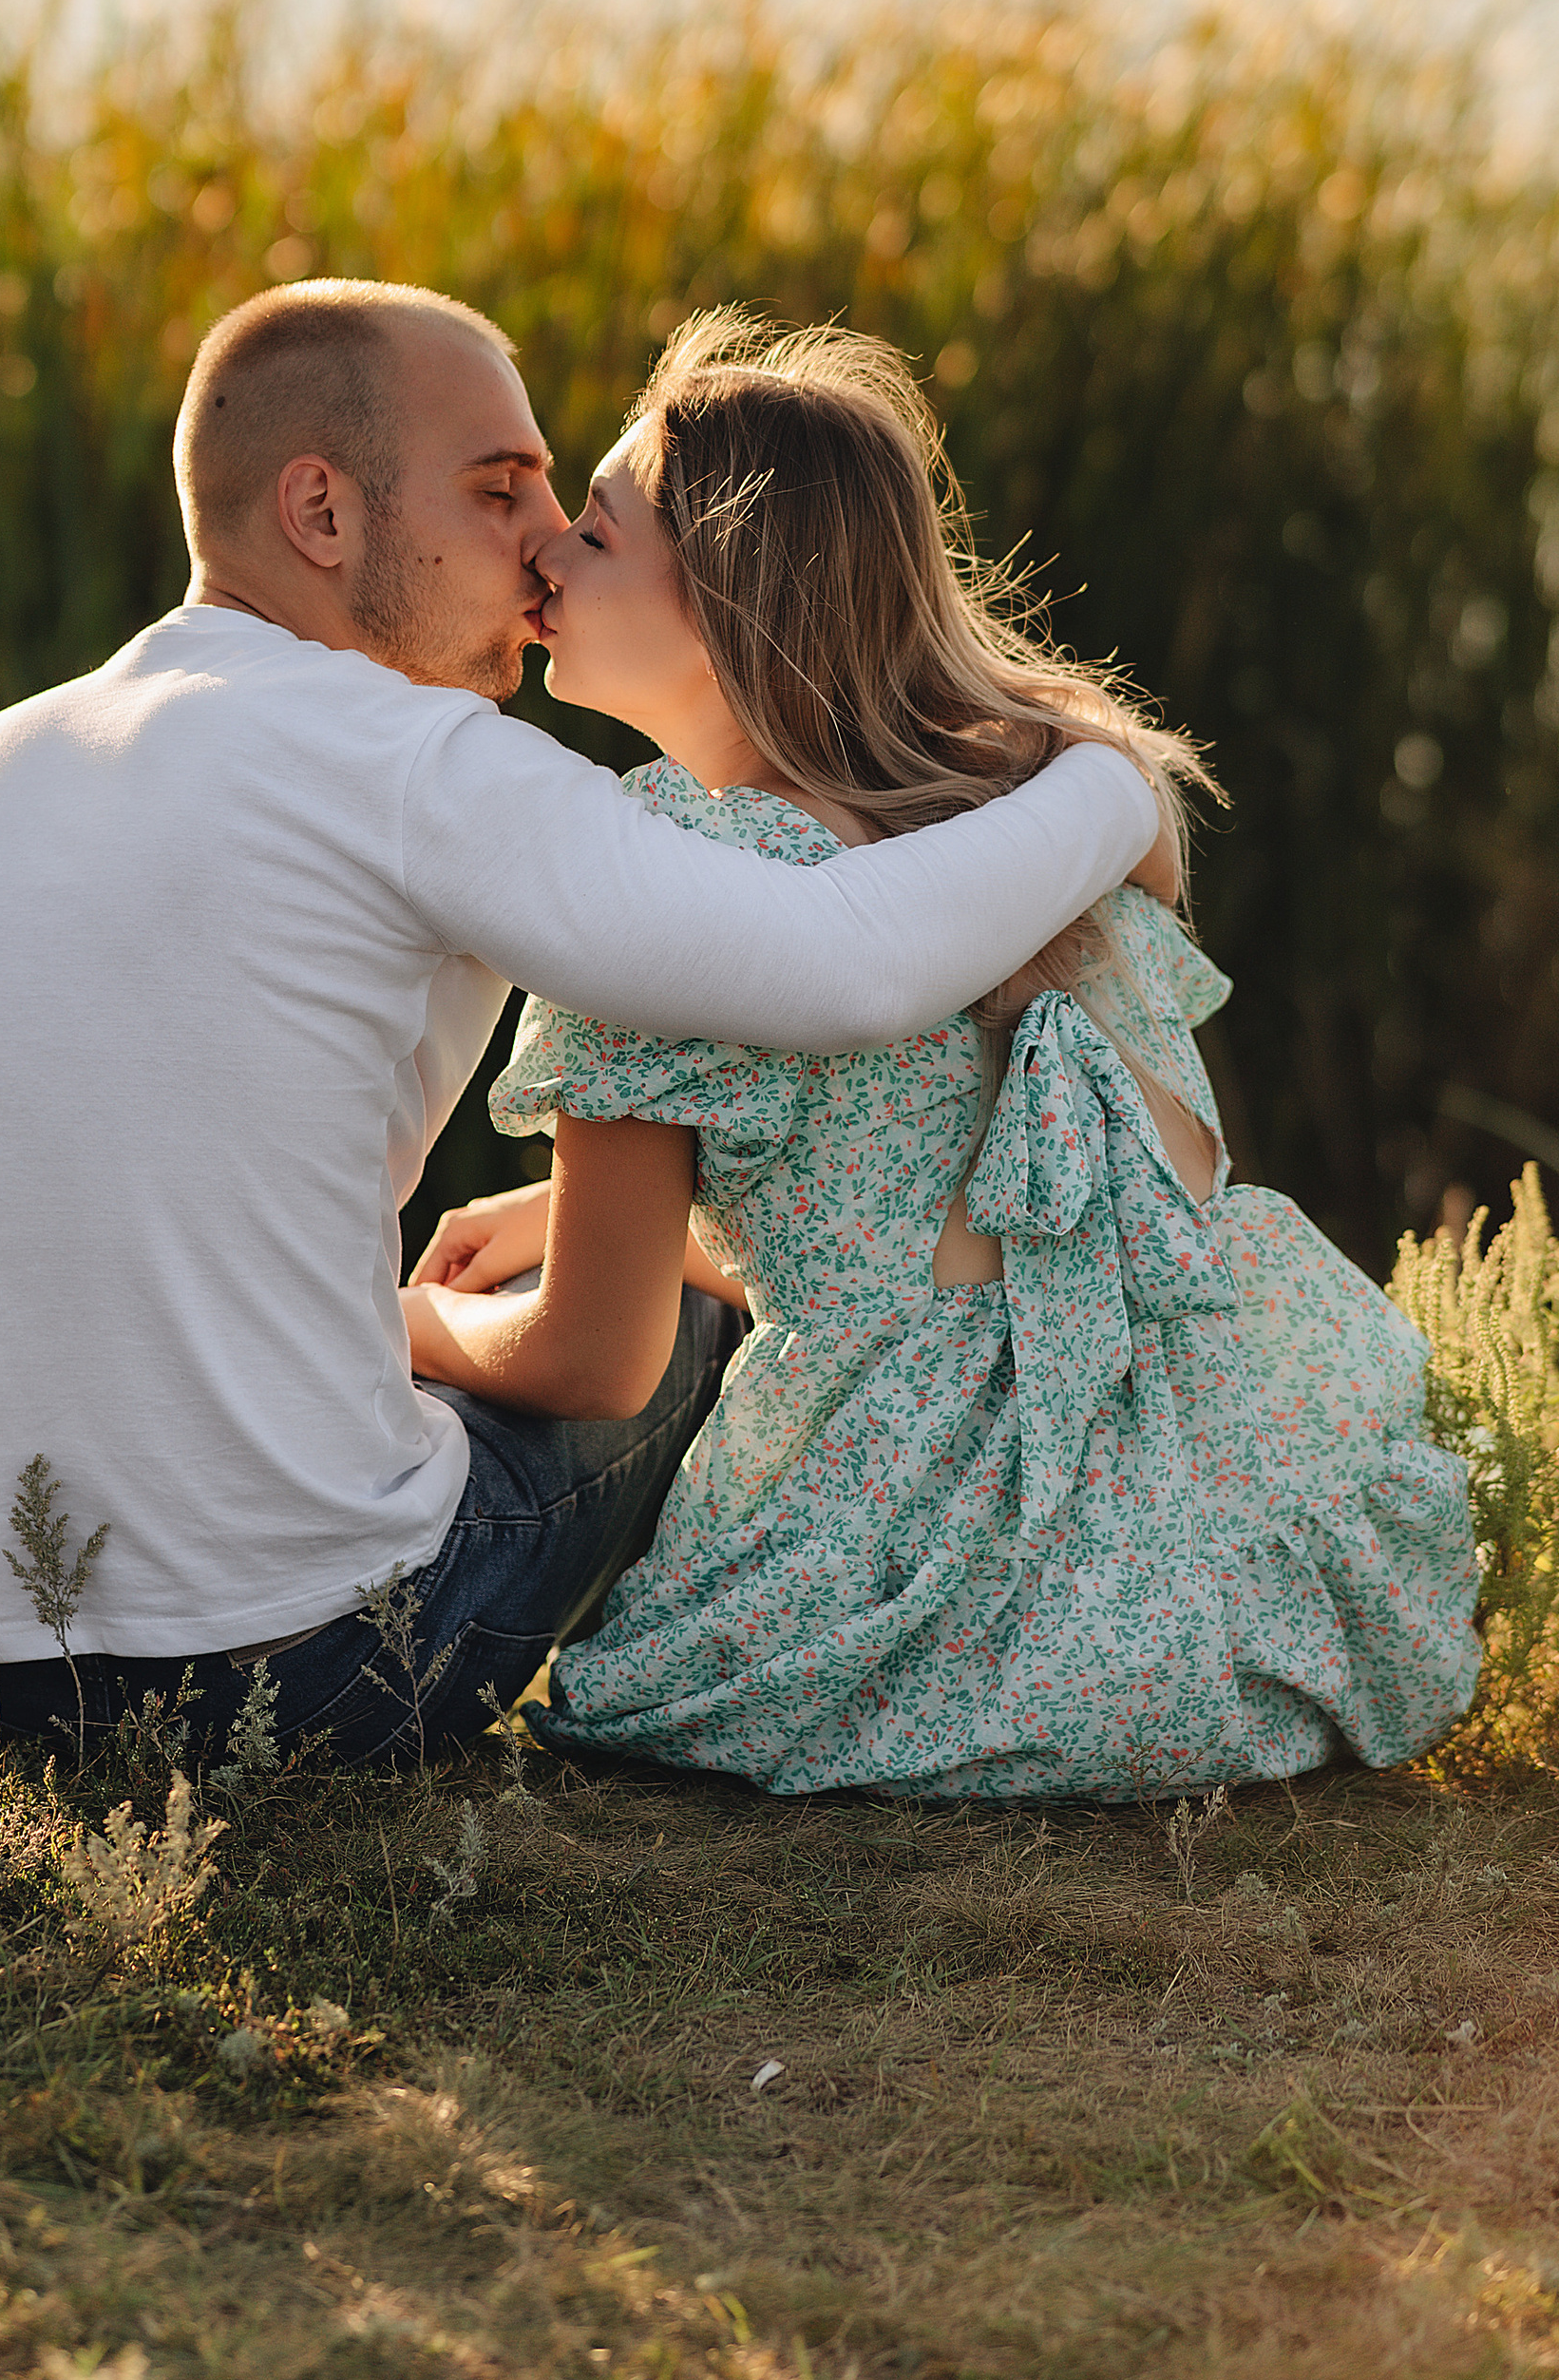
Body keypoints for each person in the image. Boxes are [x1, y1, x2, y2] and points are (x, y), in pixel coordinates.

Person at [0, 280, 1167, 1767]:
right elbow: (850, 964)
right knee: (687, 1318)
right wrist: (1111, 782)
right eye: (499, 487)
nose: (541, 542)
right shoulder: (412, 757)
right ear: (321, 511)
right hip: (309, 1664)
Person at [405, 313, 1480, 1799]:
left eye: (591, 533)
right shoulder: (1002, 824)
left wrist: (388, 1327)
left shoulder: (668, 869)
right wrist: (575, 1219)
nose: (545, 561)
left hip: (895, 1545)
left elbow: (595, 1358)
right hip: (1145, 1501)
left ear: (724, 603)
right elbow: (932, 1242)